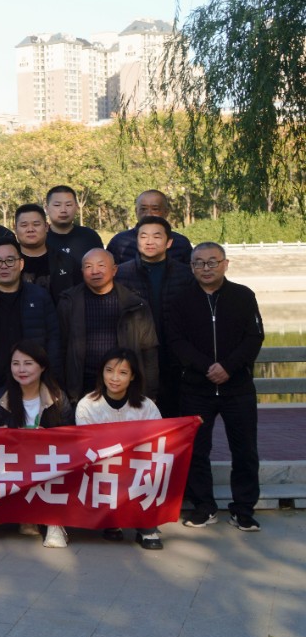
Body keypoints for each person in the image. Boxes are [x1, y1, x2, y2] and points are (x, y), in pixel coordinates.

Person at [168, 243, 265, 533]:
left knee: (245, 450)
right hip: (196, 388)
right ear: (191, 267)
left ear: (225, 264)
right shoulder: (181, 300)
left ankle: (243, 510)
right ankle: (204, 507)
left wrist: (229, 367)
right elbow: (176, 340)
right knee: (197, 451)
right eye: (199, 263)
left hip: (238, 387)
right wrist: (206, 367)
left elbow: (254, 337)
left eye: (212, 262)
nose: (206, 268)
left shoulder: (243, 296)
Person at [0, 341, 75, 548]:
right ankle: (26, 515)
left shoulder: (57, 398)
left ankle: (54, 522)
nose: (21, 369)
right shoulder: (0, 398)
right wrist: (1, 434)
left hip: (47, 460)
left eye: (28, 363)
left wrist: (50, 437)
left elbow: (71, 438)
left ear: (42, 366)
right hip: (13, 461)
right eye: (15, 363)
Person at [75, 348, 165, 549]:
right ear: (101, 372)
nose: (114, 378)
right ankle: (112, 519)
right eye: (109, 371)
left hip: (137, 465)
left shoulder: (146, 406)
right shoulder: (87, 405)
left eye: (123, 373)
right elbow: (86, 444)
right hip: (104, 466)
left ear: (132, 376)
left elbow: (159, 440)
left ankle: (146, 525)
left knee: (154, 466)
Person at [57, 248, 158, 402]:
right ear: (82, 271)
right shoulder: (68, 302)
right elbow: (61, 347)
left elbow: (149, 350)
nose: (95, 271)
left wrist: (150, 393)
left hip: (124, 383)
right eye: (89, 266)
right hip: (83, 384)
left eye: (101, 265)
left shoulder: (135, 304)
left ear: (114, 270)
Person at [116, 216, 194, 416]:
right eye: (143, 236)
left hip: (176, 357)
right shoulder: (121, 274)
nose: (149, 241)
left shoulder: (186, 275)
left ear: (169, 242)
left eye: (157, 236)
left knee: (176, 415)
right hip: (137, 356)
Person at [0, 237, 62, 397]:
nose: (4, 266)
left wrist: (52, 380)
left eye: (10, 260)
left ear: (21, 264)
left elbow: (53, 341)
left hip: (33, 384)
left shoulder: (40, 296)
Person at [12, 203, 79, 303]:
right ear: (15, 228)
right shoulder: (4, 263)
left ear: (46, 227)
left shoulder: (66, 261)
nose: (30, 229)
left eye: (36, 224)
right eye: (24, 225)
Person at [108, 190, 194, 266]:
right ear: (136, 211)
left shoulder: (180, 243)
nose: (149, 214)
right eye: (143, 209)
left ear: (166, 212)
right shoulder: (120, 241)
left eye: (155, 209)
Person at [44, 185, 104, 261]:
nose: (63, 210)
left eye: (68, 205)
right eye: (57, 205)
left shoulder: (90, 237)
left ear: (76, 208)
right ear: (47, 209)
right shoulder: (38, 238)